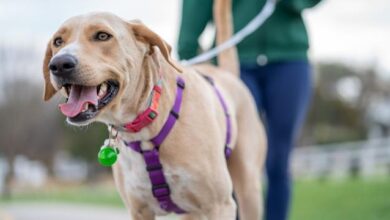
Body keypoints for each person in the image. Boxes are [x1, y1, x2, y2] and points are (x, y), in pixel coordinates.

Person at [177, 0, 322, 219]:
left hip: (289, 60)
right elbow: (195, 7)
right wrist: (187, 56)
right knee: (231, 157)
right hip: (233, 59)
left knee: (279, 160)